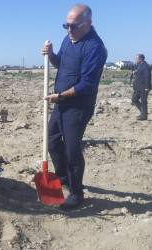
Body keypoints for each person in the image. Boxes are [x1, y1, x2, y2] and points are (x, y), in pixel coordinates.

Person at [41, 4, 107, 209]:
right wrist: (51, 55)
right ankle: (64, 177)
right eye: (66, 25)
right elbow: (62, 63)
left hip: (78, 106)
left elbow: (87, 85)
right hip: (61, 103)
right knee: (52, 141)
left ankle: (77, 193)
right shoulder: (68, 39)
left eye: (74, 26)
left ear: (88, 24)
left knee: (72, 150)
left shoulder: (95, 47)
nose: (69, 30)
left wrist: (60, 95)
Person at [131, 54, 151, 121]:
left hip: (144, 87)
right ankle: (143, 113)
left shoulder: (146, 66)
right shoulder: (141, 65)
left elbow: (147, 77)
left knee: (143, 102)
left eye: (136, 58)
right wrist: (134, 73)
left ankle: (144, 116)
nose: (135, 60)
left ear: (140, 59)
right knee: (134, 99)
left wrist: (147, 87)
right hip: (138, 87)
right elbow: (141, 74)